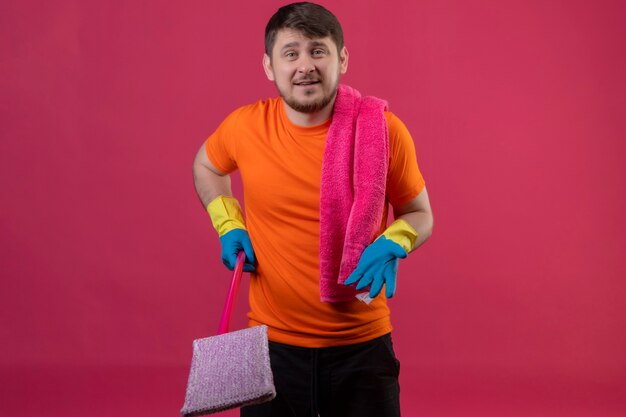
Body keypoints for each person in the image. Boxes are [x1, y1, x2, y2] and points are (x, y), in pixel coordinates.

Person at [192, 2, 433, 416]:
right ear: (269, 67)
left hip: (363, 350)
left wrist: (397, 240)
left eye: (318, 51)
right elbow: (206, 165)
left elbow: (419, 213)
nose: (305, 65)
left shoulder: (383, 131)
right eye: (291, 53)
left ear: (342, 59)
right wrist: (227, 221)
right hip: (272, 352)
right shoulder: (245, 127)